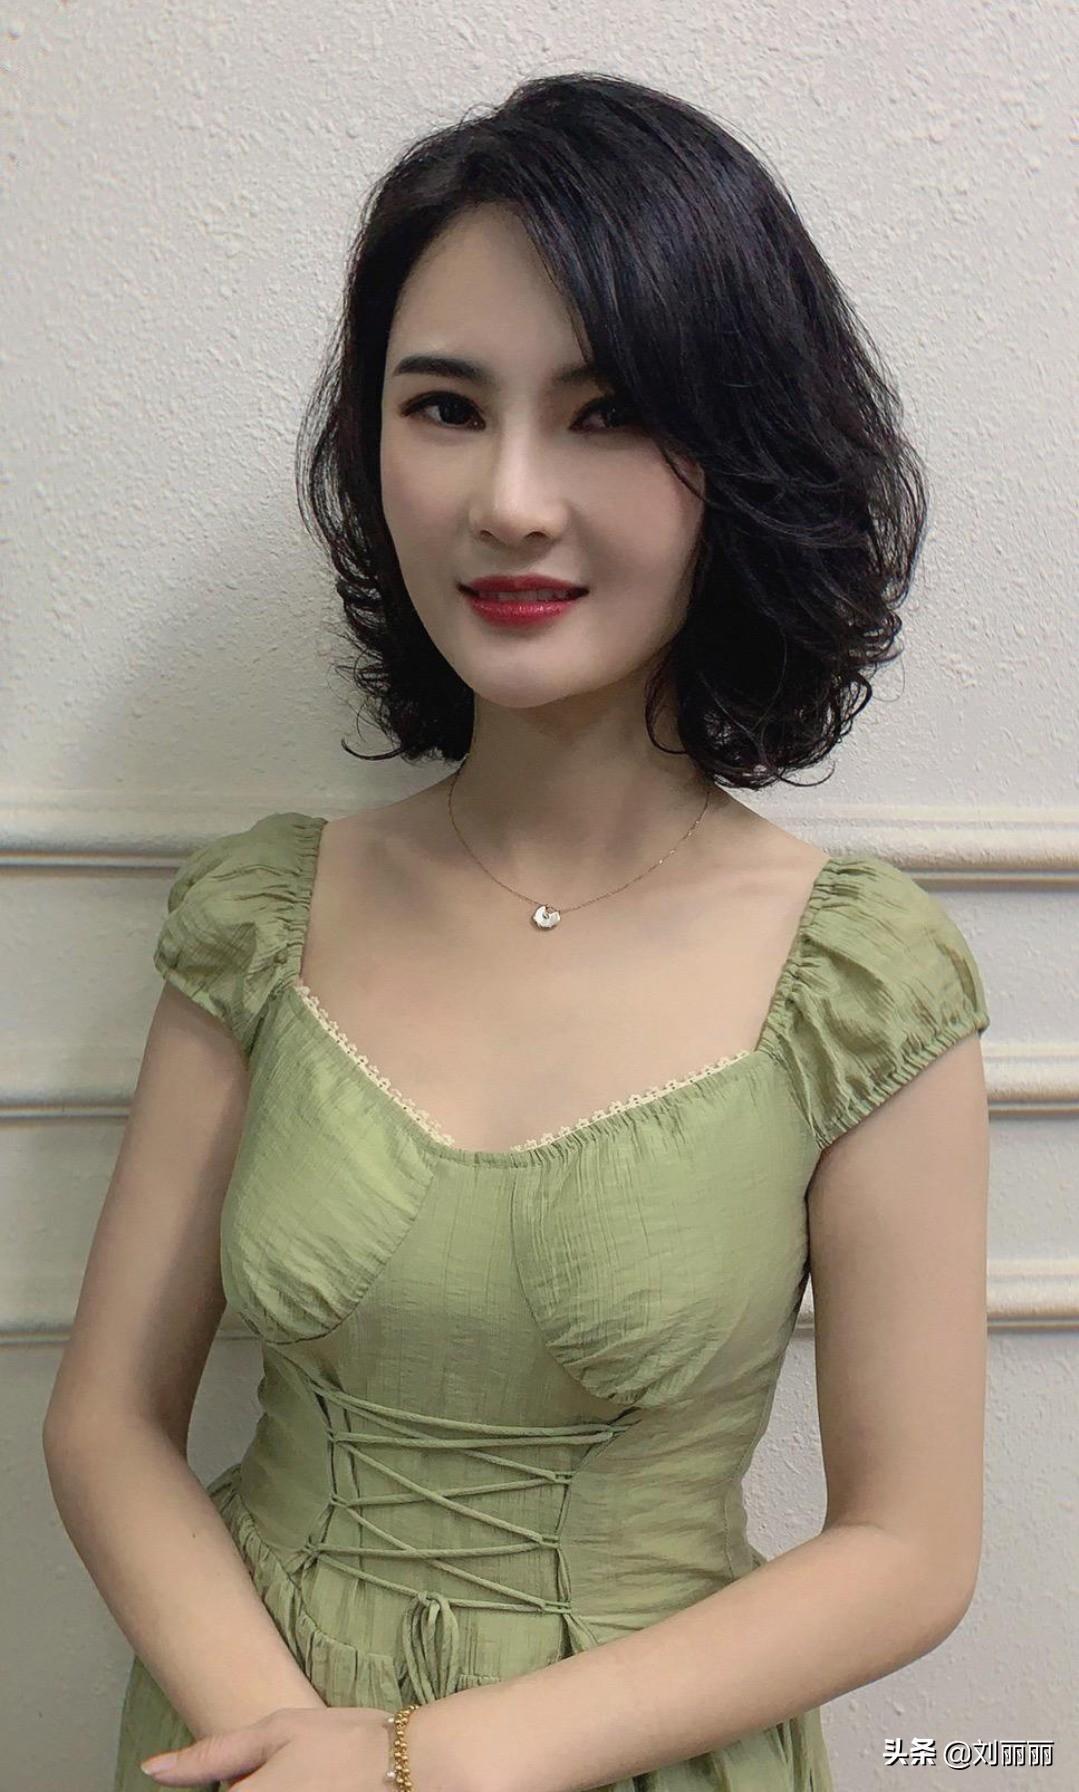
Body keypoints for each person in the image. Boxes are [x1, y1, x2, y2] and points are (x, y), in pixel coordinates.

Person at [43, 71, 991, 1792]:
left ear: (746, 452)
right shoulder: (261, 922)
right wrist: (296, 1752)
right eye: (445, 406)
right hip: (241, 1741)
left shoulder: (862, 982)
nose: (514, 500)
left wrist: (427, 1761)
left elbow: (908, 1549)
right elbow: (107, 1424)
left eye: (609, 411)